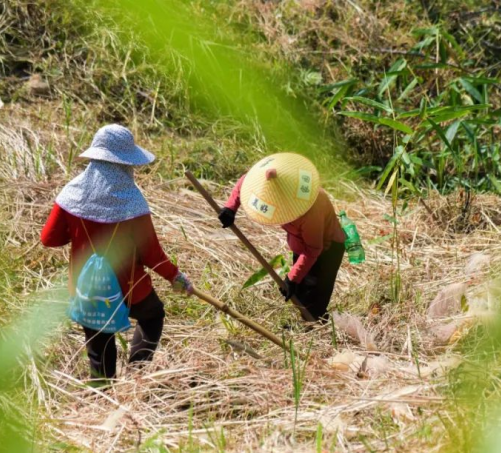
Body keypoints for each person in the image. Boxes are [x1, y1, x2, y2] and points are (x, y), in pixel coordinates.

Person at [41, 124, 193, 381]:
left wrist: (78, 229)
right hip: (130, 288)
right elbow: (152, 256)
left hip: (87, 289)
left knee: (99, 352)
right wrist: (176, 278)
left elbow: (49, 239)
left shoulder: (71, 195)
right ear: (126, 164)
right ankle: (137, 374)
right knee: (152, 315)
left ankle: (102, 394)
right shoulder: (133, 203)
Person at [218, 153, 346, 322]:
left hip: (327, 249)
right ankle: (306, 321)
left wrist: (292, 278)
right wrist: (230, 208)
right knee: (300, 292)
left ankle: (315, 326)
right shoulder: (268, 177)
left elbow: (314, 248)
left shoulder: (310, 210)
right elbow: (246, 181)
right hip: (301, 244)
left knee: (314, 295)